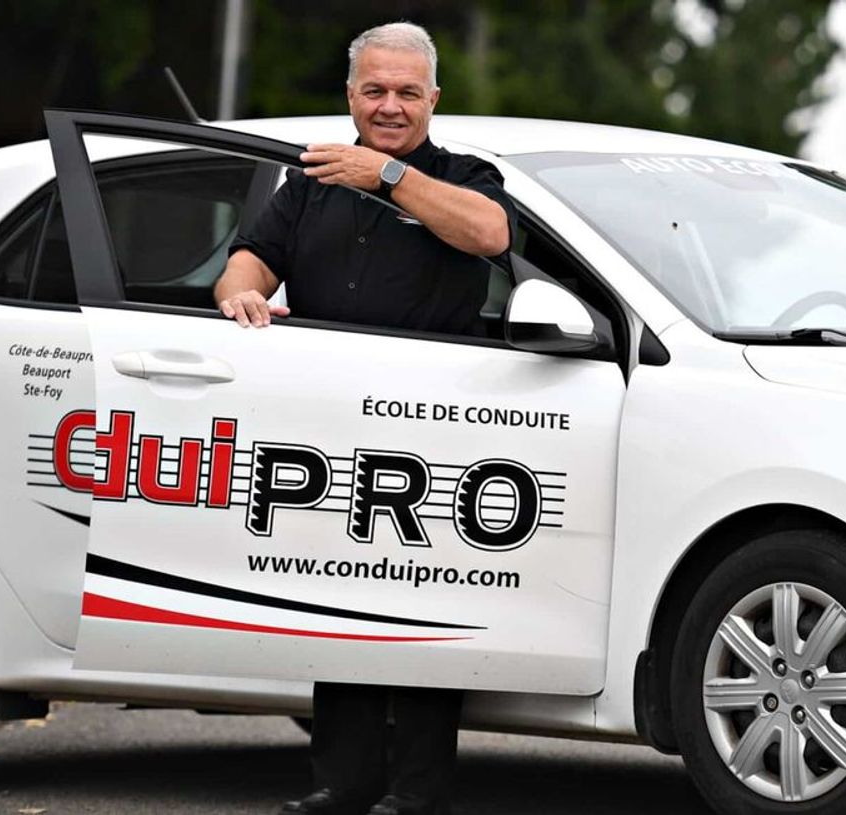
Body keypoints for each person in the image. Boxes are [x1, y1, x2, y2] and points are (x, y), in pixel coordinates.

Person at [214, 21, 516, 815]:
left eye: (407, 92)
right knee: (336, 592)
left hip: (435, 424)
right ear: (350, 95)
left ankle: (416, 792)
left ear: (433, 99)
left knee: (419, 596)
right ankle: (340, 783)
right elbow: (250, 255)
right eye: (374, 91)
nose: (390, 106)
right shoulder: (310, 180)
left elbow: (488, 232)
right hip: (333, 419)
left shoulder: (464, 174)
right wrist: (238, 292)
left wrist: (384, 175)